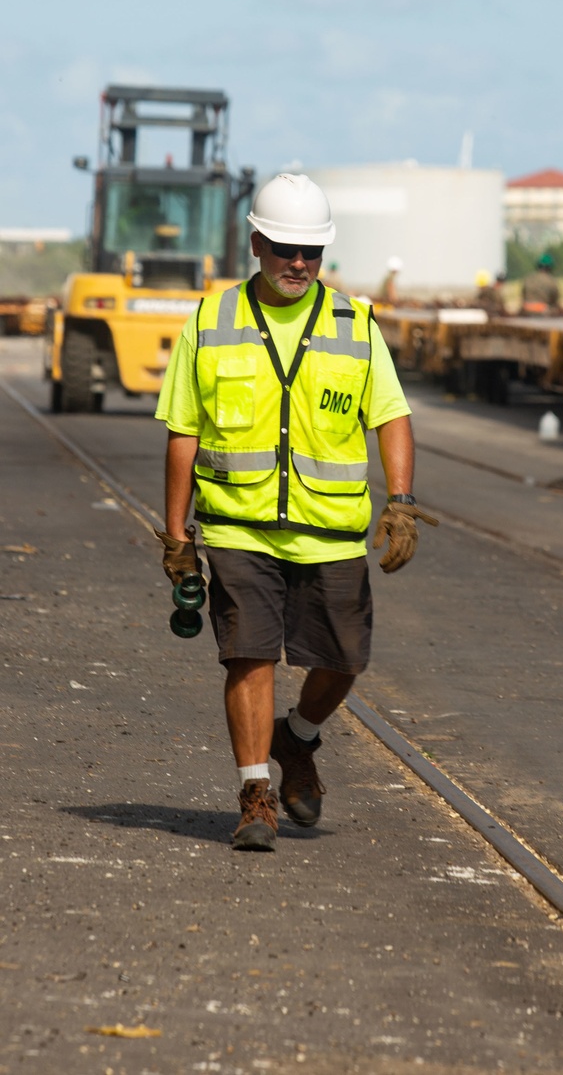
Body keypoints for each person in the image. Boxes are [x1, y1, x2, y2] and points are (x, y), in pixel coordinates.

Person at [153, 173, 437, 852]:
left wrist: (399, 502)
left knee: (344, 659)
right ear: (256, 244)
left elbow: (391, 416)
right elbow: (183, 432)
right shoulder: (210, 321)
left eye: (311, 251)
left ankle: (298, 736)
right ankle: (256, 795)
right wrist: (175, 534)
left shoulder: (355, 324)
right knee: (247, 656)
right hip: (239, 526)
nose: (299, 264)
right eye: (285, 249)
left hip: (332, 532)